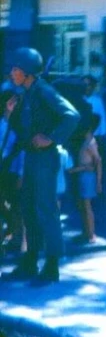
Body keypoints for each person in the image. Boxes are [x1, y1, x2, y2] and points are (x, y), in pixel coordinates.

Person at [1, 48, 80, 286]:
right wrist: (9, 112)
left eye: (16, 69)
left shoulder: (44, 91)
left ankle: (53, 264)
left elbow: (72, 115)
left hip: (45, 158)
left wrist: (52, 138)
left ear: (27, 72)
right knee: (29, 207)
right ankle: (31, 259)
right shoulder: (25, 94)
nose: (12, 73)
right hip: (31, 158)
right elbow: (21, 129)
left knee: (45, 208)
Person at [68, 114, 103, 243]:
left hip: (88, 177)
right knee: (82, 205)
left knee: (87, 206)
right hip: (83, 175)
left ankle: (91, 233)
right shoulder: (85, 141)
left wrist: (98, 182)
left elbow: (98, 161)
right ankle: (86, 231)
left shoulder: (91, 142)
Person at [1, 90, 25, 252]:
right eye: (10, 103)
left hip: (12, 171)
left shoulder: (20, 124)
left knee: (15, 205)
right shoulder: (4, 124)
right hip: (6, 168)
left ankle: (14, 235)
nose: (13, 106)